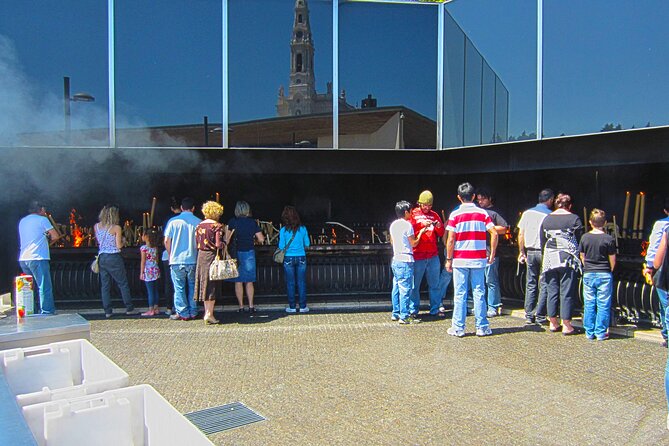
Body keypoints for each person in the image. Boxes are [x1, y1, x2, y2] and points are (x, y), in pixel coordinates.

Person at [445, 183, 497, 337]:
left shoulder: (455, 215)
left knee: (460, 293)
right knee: (479, 291)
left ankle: (458, 327)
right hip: (479, 259)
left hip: (460, 259)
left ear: (459, 198)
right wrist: (492, 254)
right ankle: (482, 327)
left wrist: (449, 259)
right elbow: (494, 233)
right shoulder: (482, 214)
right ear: (474, 196)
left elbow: (450, 239)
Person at [540, 193, 584, 335]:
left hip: (550, 258)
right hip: (568, 259)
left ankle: (553, 322)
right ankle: (567, 324)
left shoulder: (547, 219)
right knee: (567, 291)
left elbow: (542, 240)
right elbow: (580, 240)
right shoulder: (574, 219)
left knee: (552, 290)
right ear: (569, 205)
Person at [517, 188, 555, 325]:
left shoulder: (527, 213)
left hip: (530, 251)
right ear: (550, 200)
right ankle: (540, 314)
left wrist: (521, 251)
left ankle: (529, 314)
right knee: (544, 282)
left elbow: (520, 234)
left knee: (531, 282)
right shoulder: (550, 215)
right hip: (545, 252)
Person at [18, 200, 62, 315]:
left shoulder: (23, 221)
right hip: (38, 257)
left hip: (24, 258)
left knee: (28, 287)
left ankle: (30, 310)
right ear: (41, 209)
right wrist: (48, 243)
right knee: (44, 286)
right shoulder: (43, 219)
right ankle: (47, 311)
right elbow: (56, 236)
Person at [579, 209, 616, 341]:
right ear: (605, 223)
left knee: (589, 302)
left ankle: (589, 331)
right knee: (603, 303)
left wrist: (586, 265)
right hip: (604, 272)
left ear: (590, 222)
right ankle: (600, 332)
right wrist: (610, 269)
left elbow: (582, 255)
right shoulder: (608, 239)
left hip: (589, 272)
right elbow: (612, 258)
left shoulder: (585, 237)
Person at [390, 201, 429, 324]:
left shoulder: (393, 225)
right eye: (411, 211)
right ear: (406, 212)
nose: (412, 213)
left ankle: (395, 313)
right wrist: (421, 232)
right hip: (406, 259)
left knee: (396, 286)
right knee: (405, 289)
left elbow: (392, 242)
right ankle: (404, 315)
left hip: (396, 258)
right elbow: (414, 243)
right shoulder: (407, 225)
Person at [94, 205, 137, 318]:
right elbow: (118, 246)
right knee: (122, 283)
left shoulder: (96, 227)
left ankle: (107, 310)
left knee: (105, 285)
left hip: (102, 257)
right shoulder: (116, 228)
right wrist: (123, 241)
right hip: (114, 257)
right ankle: (129, 307)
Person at [409, 190, 446, 318]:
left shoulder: (434, 215)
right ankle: (413, 310)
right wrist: (420, 224)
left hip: (432, 255)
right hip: (418, 255)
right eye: (425, 205)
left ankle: (435, 308)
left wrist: (438, 225)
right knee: (415, 285)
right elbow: (409, 228)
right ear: (419, 203)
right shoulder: (413, 213)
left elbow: (441, 233)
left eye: (429, 205)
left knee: (434, 285)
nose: (427, 208)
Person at [164, 197, 201, 321]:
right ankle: (193, 311)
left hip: (177, 260)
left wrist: (171, 254)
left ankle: (182, 313)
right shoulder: (198, 222)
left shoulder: (173, 221)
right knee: (192, 286)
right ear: (193, 208)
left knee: (179, 288)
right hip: (193, 259)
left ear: (181, 208)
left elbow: (166, 241)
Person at [226, 201, 265, 313]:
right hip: (249, 252)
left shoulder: (232, 222)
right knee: (249, 281)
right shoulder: (252, 222)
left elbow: (227, 239)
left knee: (238, 281)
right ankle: (251, 306)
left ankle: (241, 307)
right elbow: (261, 239)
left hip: (236, 253)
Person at [476, 188, 509, 318]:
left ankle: (493, 306)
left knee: (491, 280)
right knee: (479, 281)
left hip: (490, 251)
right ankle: (480, 306)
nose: (480, 201)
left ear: (489, 198)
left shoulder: (495, 212)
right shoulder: (478, 211)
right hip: (478, 251)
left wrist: (488, 228)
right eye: (478, 199)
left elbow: (504, 228)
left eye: (483, 198)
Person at [194, 201, 225, 325]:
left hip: (201, 256)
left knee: (204, 284)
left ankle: (206, 312)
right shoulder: (216, 226)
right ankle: (209, 314)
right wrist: (225, 242)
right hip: (212, 256)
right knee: (212, 285)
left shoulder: (199, 226)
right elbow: (218, 244)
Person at [643, 198, 669, 347]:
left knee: (665, 304)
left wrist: (650, 266)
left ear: (665, 211)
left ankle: (666, 334)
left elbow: (655, 247)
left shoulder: (662, 225)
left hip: (664, 270)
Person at [279, 206, 310, 313]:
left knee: (290, 283)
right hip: (301, 257)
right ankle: (302, 306)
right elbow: (307, 244)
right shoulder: (303, 229)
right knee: (301, 282)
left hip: (288, 258)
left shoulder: (283, 230)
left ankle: (292, 307)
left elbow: (281, 246)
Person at [162, 198, 181, 316]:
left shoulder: (169, 220)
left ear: (171, 208)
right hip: (183, 255)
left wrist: (170, 253)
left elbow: (166, 240)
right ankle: (182, 308)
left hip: (169, 255)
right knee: (182, 284)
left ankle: (169, 307)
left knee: (169, 283)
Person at [140, 228, 162, 317]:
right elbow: (156, 260)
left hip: (148, 270)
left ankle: (150, 309)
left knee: (150, 291)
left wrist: (141, 272)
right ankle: (156, 307)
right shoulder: (155, 248)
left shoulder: (144, 248)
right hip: (155, 269)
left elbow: (143, 261)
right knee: (155, 290)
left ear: (146, 237)